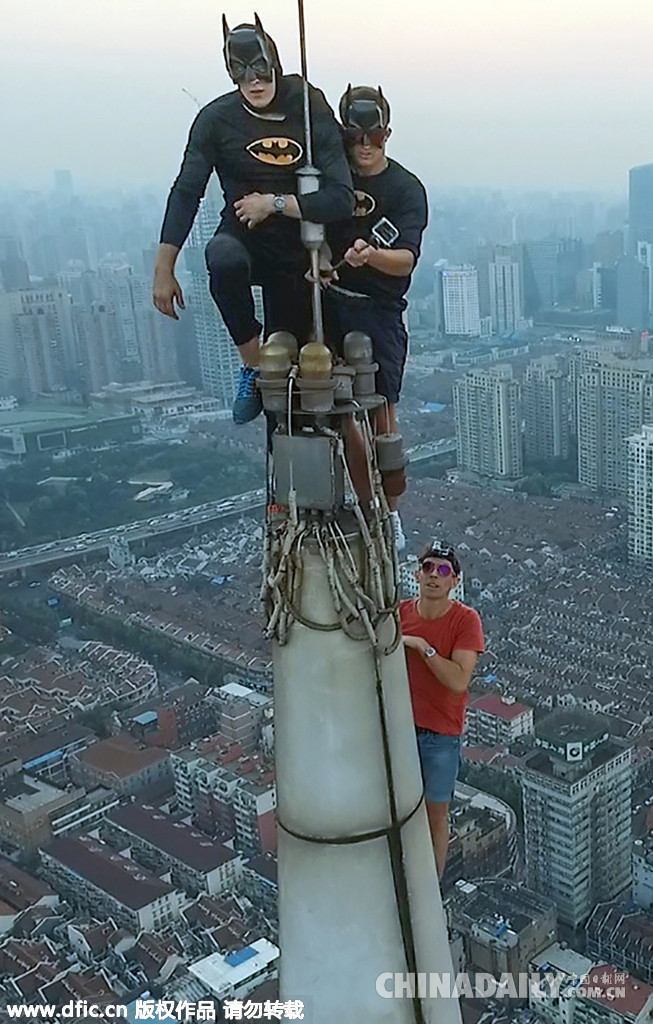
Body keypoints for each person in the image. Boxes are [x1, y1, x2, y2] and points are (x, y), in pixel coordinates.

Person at [153, 15, 353, 424]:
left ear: (274, 63)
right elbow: (187, 191)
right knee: (221, 257)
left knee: (304, 387)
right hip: (244, 235)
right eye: (241, 73)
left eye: (260, 70)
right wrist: (164, 268)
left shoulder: (305, 102)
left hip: (301, 245)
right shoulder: (215, 120)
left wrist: (275, 203)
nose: (254, 82)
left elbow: (341, 197)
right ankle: (251, 366)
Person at [325, 85, 428, 549]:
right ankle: (366, 507)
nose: (364, 146)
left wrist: (372, 258)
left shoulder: (405, 189)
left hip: (381, 310)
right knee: (343, 410)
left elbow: (406, 259)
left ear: (387, 134)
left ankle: (390, 511)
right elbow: (311, 230)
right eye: (355, 136)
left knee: (383, 413)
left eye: (374, 136)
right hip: (330, 300)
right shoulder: (331, 180)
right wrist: (323, 257)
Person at [399, 543, 485, 879]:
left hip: (439, 736)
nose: (435, 575)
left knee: (436, 815)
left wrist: (422, 647)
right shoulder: (400, 613)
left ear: (455, 581)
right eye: (428, 567)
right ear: (417, 573)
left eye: (444, 571)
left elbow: (459, 680)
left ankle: (430, 889)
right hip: (398, 730)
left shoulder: (465, 620)